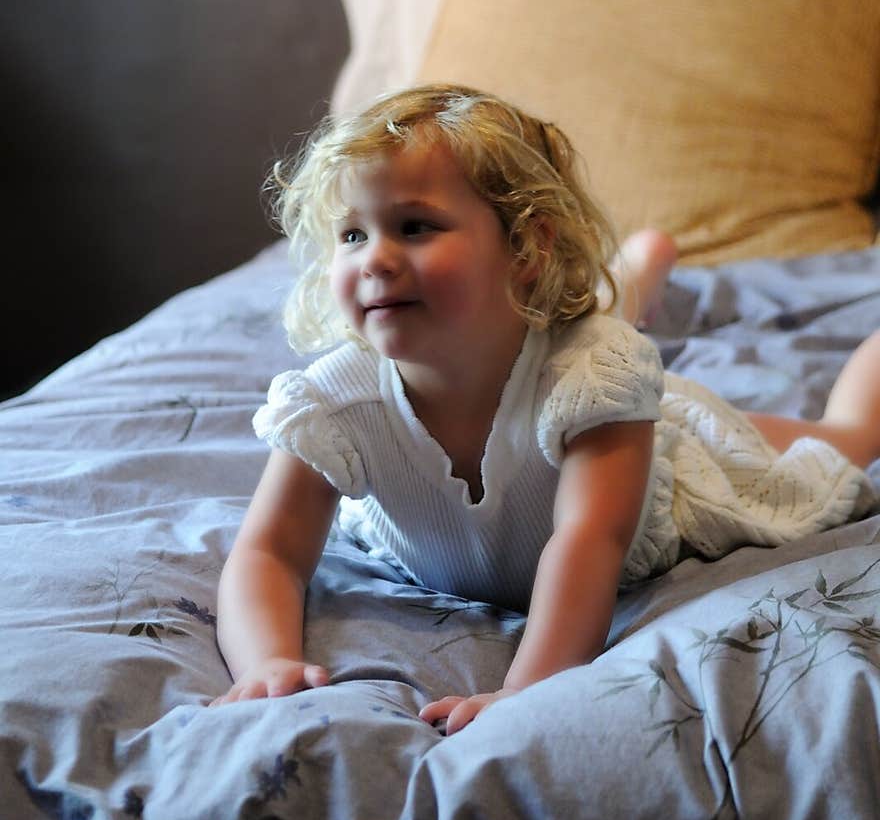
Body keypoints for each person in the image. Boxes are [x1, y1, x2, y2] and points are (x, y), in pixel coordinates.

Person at [211, 84, 879, 733]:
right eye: (352, 234)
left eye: (414, 226)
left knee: (840, 438)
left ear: (527, 247)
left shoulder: (594, 375)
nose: (375, 257)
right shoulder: (337, 400)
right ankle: (636, 268)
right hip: (553, 375)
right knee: (585, 339)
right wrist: (266, 660)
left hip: (649, 447)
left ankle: (641, 273)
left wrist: (525, 688)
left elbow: (588, 538)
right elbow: (268, 549)